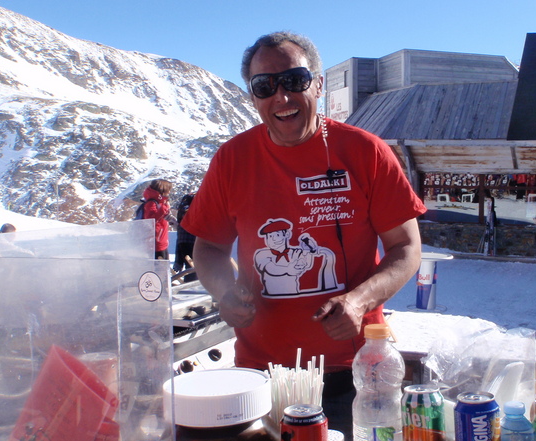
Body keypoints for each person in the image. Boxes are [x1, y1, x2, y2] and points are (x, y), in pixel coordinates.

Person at [182, 31, 426, 437]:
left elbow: (406, 247)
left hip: (351, 373)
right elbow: (208, 246)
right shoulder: (232, 159)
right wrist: (225, 292)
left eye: (294, 80)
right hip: (259, 375)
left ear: (317, 83)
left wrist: (358, 301)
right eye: (265, 86)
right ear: (253, 96)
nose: (281, 97)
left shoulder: (365, 152)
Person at [142, 179, 173, 260]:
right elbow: (151, 219)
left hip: (161, 241)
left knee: (163, 265)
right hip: (156, 242)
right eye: (168, 190)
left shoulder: (160, 202)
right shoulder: (152, 202)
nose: (169, 192)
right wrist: (164, 208)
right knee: (159, 267)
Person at [173, 193, 197, 282]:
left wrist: (178, 260)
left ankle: (188, 286)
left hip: (182, 240)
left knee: (189, 266)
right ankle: (191, 287)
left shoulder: (186, 202)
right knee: (193, 267)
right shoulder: (196, 204)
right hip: (193, 239)